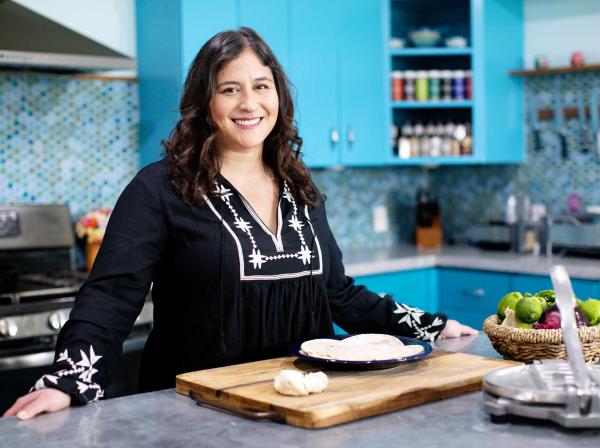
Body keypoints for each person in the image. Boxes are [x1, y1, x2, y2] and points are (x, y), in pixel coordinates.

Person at [3, 27, 477, 420]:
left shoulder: (299, 186)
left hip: (305, 407)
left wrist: (431, 327)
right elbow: (111, 295)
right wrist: (66, 383)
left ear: (278, 96)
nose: (249, 103)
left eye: (261, 86)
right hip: (198, 413)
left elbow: (335, 292)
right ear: (203, 103)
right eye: (230, 89)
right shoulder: (160, 189)